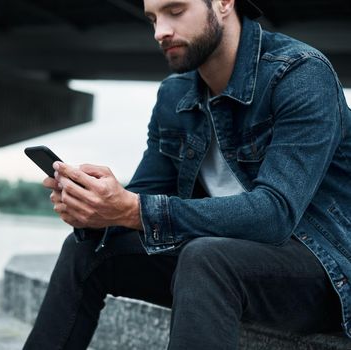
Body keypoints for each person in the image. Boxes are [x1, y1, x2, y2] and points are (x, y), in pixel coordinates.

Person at [23, 0, 351, 348]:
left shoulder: (299, 73)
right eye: (152, 18)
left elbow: (274, 215)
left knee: (206, 256)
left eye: (175, 11)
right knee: (88, 250)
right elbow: (145, 195)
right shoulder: (175, 94)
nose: (159, 31)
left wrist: (132, 209)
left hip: (324, 273)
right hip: (220, 266)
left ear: (224, 3)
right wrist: (96, 207)